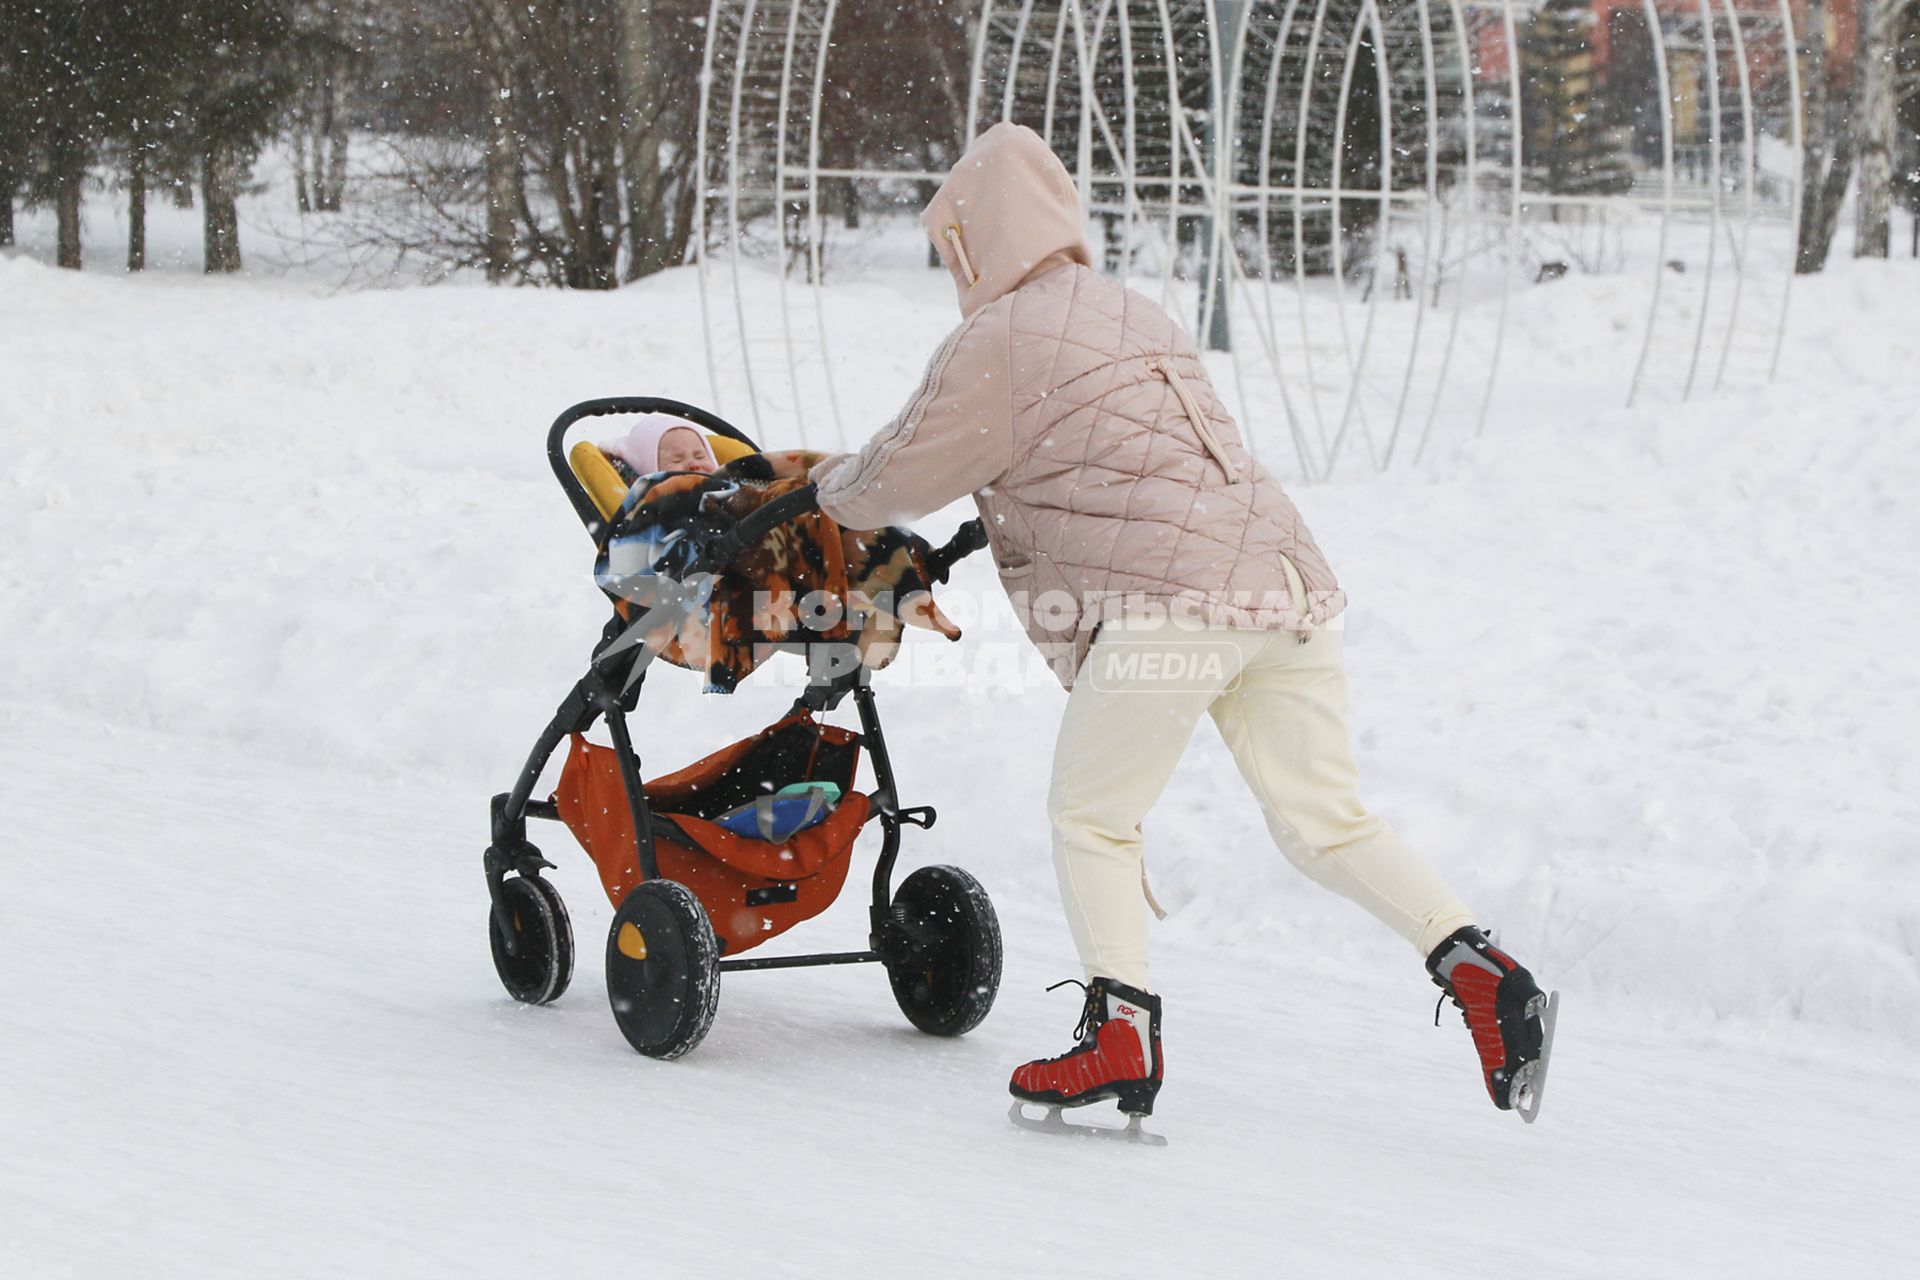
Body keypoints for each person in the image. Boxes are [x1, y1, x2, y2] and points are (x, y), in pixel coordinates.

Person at [808, 123, 1551, 1125]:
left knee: (1091, 812)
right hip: (1282, 583)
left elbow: (889, 479)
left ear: (975, 238)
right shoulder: (1134, 309)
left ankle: (1121, 1032)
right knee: (1325, 820)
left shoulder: (999, 340)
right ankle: (1481, 967)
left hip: (1175, 608)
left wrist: (818, 485)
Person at [602, 419, 718, 478]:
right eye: (677, 460)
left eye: (700, 456)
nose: (693, 464)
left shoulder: (729, 488)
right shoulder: (659, 508)